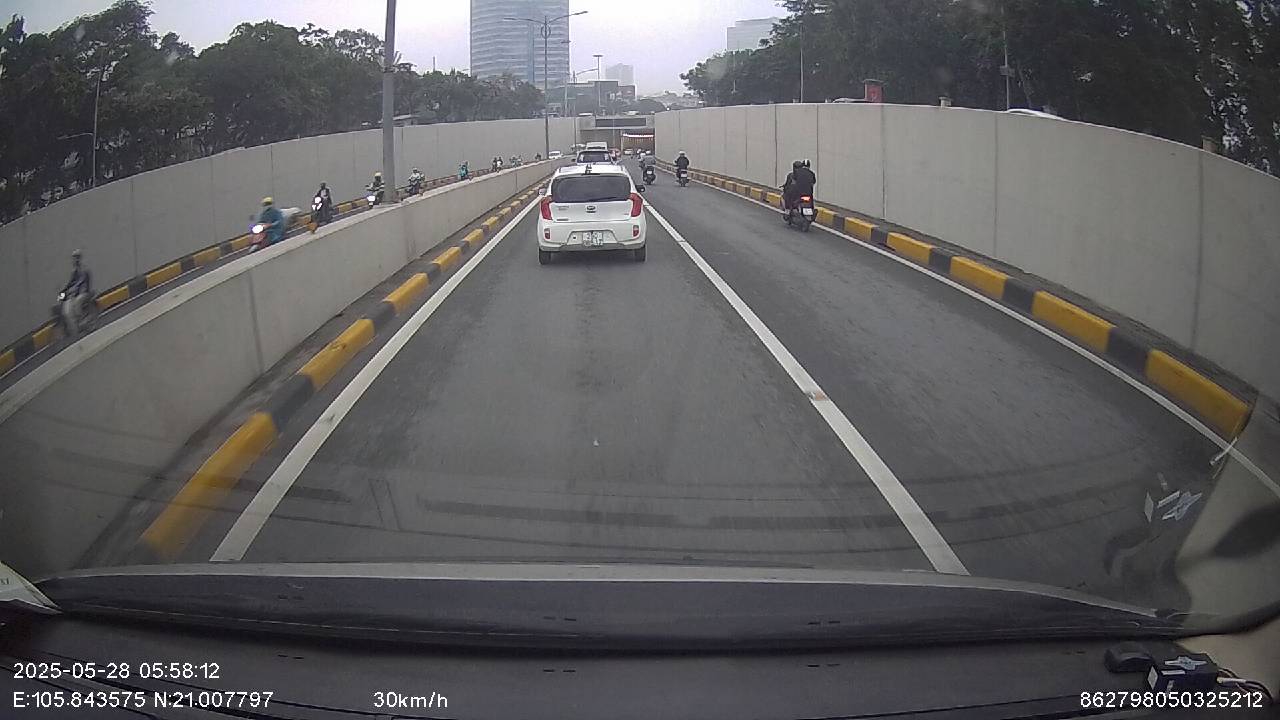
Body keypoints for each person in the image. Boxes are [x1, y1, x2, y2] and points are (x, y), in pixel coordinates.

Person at [61, 249, 93, 335]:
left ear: (79, 258)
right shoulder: (74, 271)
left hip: (84, 292)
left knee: (77, 302)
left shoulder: (84, 269)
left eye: (76, 258)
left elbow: (82, 281)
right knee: (67, 309)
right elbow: (70, 282)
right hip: (75, 293)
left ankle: (82, 319)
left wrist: (75, 288)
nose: (75, 260)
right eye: (74, 258)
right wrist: (63, 291)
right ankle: (75, 326)